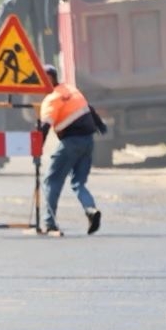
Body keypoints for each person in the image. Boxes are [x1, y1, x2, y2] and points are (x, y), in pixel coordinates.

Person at [39, 64, 107, 236]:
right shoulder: (71, 89)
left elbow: (44, 127)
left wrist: (37, 149)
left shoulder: (51, 99)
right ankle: (90, 209)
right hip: (88, 141)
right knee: (78, 182)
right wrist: (100, 125)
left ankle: (49, 223)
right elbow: (89, 108)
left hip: (71, 142)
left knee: (52, 180)